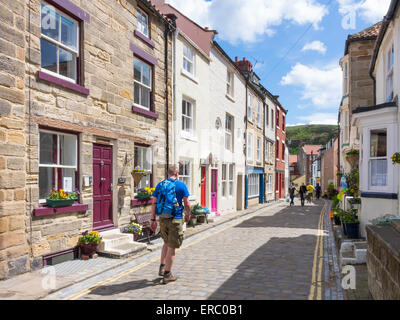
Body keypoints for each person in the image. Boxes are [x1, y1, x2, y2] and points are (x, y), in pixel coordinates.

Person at [150, 165, 191, 284]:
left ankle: (162, 267)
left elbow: (154, 203)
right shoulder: (181, 185)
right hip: (175, 218)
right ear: (177, 174)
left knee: (166, 243)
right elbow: (187, 203)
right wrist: (188, 214)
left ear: (168, 174)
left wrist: (153, 219)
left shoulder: (160, 184)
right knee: (172, 246)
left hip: (162, 218)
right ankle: (167, 274)